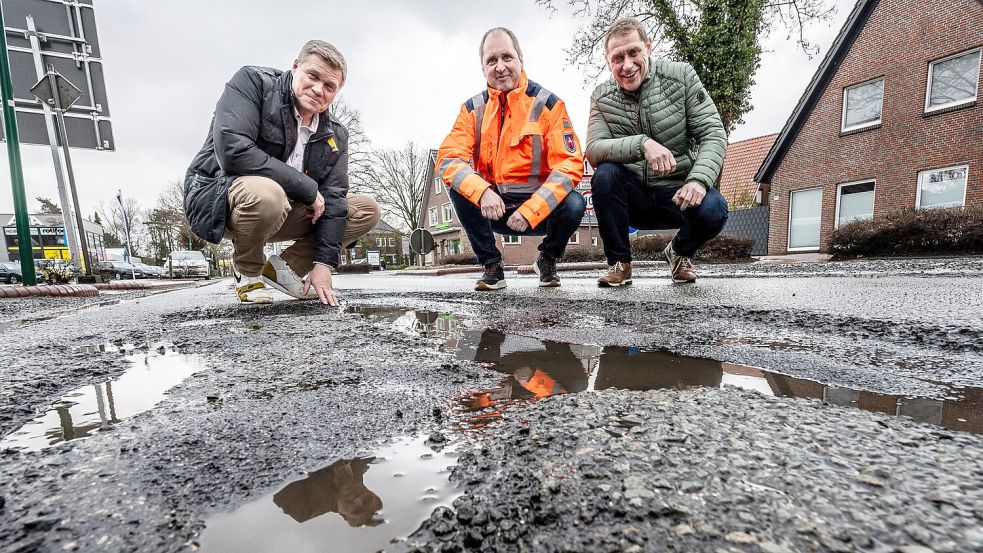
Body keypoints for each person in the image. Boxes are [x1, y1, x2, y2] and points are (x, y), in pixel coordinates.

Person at [184, 40, 381, 305]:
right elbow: (233, 150)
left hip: (285, 212)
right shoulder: (252, 83)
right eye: (313, 76)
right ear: (295, 67)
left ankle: (284, 269)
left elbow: (334, 197)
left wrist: (323, 265)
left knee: (366, 209)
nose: (318, 89)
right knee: (269, 194)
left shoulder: (336, 134)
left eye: (329, 86)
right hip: (224, 202)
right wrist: (308, 189)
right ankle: (248, 271)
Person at [437, 27, 586, 290]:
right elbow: (449, 159)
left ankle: (548, 259)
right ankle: (491, 265)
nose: (500, 67)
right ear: (483, 68)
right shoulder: (473, 110)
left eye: (507, 57)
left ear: (520, 60)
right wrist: (482, 192)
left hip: (540, 212)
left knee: (575, 203)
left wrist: (531, 210)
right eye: (491, 60)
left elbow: (569, 164)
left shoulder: (549, 105)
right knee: (458, 186)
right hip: (496, 207)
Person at [586, 17, 728, 286]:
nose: (627, 65)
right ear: (608, 61)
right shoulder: (601, 97)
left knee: (715, 208)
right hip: (633, 197)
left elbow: (713, 133)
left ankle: (679, 252)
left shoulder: (681, 76)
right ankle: (620, 263)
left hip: (677, 192)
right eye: (617, 58)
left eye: (633, 52)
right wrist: (641, 144)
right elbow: (594, 149)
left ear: (648, 47)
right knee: (604, 175)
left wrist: (698, 180)